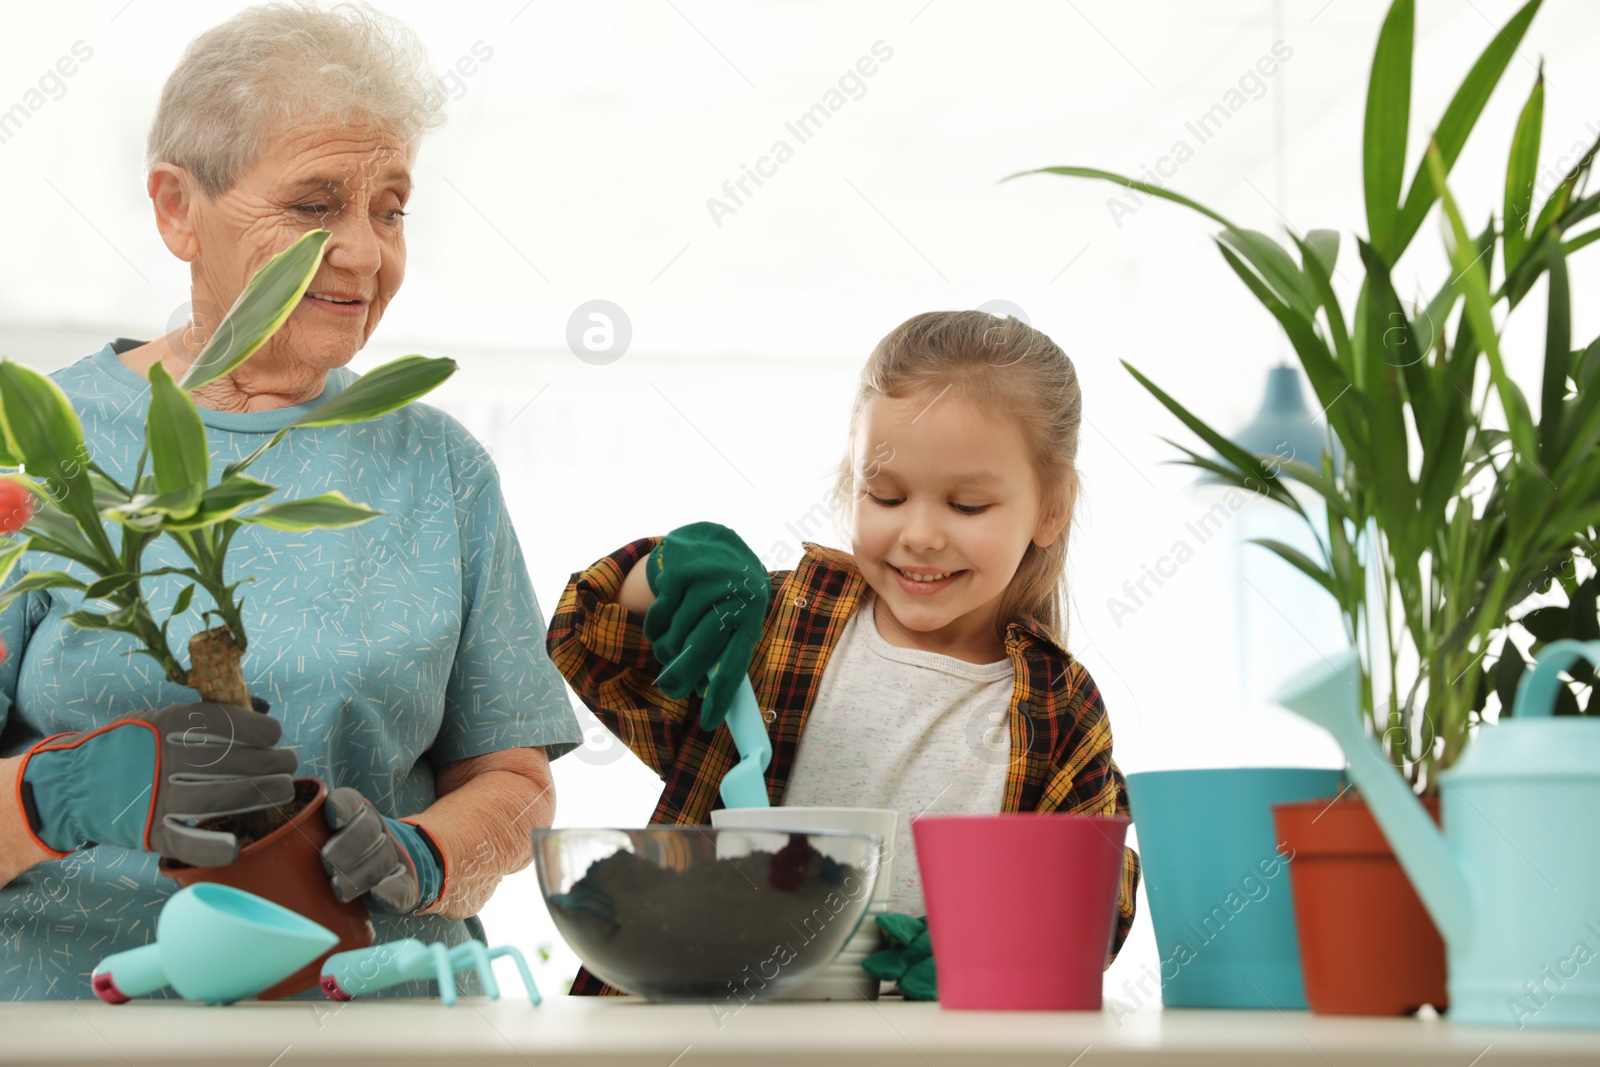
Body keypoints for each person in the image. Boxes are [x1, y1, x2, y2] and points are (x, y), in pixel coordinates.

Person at [0, 2, 580, 1000]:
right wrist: (52, 798)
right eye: (316, 206)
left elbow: (514, 781)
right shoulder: (34, 448)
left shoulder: (438, 466)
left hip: (380, 1022)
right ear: (177, 207)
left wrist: (430, 854)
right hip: (73, 1024)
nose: (363, 252)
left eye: (389, 209)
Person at [547, 309, 1141, 995]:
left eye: (968, 505)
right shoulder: (774, 628)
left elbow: (1101, 899)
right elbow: (588, 641)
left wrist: (987, 952)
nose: (918, 533)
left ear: (1051, 507)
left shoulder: (1057, 706)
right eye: (885, 494)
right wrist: (658, 574)